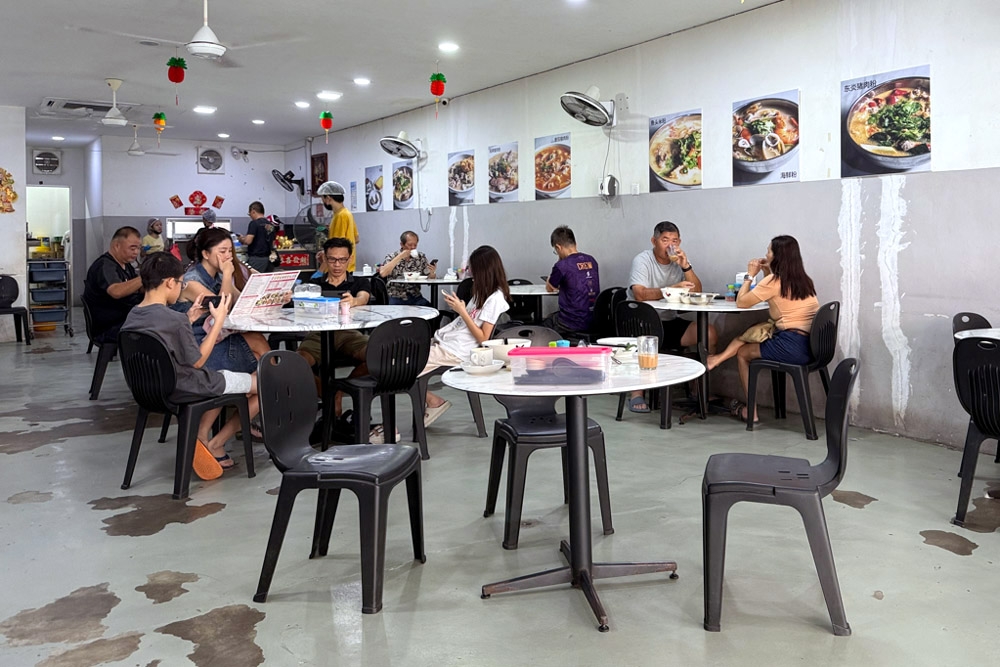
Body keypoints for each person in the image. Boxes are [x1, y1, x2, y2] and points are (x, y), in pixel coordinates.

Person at [122, 252, 260, 479]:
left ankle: (205, 438)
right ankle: (216, 442)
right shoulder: (172, 319)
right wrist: (219, 321)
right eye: (180, 282)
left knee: (226, 376)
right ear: (169, 283)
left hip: (150, 391)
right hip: (187, 387)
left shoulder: (133, 315)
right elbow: (197, 361)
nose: (180, 287)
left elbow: (162, 336)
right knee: (264, 383)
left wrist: (189, 318)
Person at [706, 235, 820, 423]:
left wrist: (750, 275)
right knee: (751, 333)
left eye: (769, 251)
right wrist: (767, 273)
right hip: (811, 346)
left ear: (778, 256)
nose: (766, 254)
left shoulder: (774, 282)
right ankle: (716, 360)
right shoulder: (804, 280)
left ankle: (751, 412)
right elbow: (773, 294)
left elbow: (742, 302)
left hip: (791, 345)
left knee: (743, 353)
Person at [626, 220, 717, 413]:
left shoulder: (677, 263)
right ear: (654, 241)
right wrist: (669, 289)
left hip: (668, 321)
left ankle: (698, 389)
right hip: (641, 322)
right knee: (645, 338)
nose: (670, 245)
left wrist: (686, 267)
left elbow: (697, 291)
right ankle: (636, 393)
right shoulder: (642, 260)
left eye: (674, 240)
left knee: (708, 333)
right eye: (665, 240)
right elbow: (639, 294)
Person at [420, 245, 511, 427]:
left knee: (400, 366)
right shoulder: (481, 292)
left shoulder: (495, 298)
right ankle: (431, 401)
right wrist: (463, 308)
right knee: (401, 356)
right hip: (449, 343)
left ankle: (429, 403)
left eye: (472, 269)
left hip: (458, 351)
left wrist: (462, 311)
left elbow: (484, 339)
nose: (469, 273)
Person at [296, 237, 371, 415]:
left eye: (342, 259)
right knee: (296, 364)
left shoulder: (359, 282)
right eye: (332, 259)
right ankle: (329, 393)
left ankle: (342, 390)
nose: (337, 264)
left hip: (349, 333)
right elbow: (300, 305)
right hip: (318, 333)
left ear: (350, 259)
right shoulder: (314, 285)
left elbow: (363, 297)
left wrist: (354, 301)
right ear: (324, 258)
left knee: (377, 355)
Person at [178, 227, 270, 372]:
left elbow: (241, 301)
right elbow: (222, 308)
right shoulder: (192, 282)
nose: (228, 256)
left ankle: (269, 386)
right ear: (206, 254)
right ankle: (275, 384)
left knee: (258, 343)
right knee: (258, 357)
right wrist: (228, 275)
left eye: (229, 251)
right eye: (222, 252)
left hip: (217, 337)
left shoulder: (218, 277)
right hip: (199, 345)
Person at [83, 226, 144, 344]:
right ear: (117, 246)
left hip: (123, 317)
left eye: (138, 248)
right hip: (109, 326)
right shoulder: (105, 266)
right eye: (132, 248)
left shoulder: (126, 265)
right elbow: (116, 291)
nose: (136, 252)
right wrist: (145, 276)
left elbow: (137, 287)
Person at [542, 226, 600, 337]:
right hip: (592, 319)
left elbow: (550, 288)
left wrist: (558, 262)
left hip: (571, 322)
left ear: (558, 247)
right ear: (574, 243)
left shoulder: (561, 266)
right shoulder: (592, 260)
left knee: (544, 325)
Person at [379, 230, 436, 306]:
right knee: (395, 314)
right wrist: (400, 256)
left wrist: (432, 273)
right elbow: (383, 273)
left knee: (433, 311)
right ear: (402, 244)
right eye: (410, 245)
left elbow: (429, 278)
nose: (413, 247)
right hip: (396, 296)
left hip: (415, 296)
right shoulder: (392, 256)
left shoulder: (420, 257)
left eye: (415, 245)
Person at [317, 181, 360, 272]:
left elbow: (336, 247)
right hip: (347, 267)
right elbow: (356, 239)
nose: (323, 202)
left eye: (322, 199)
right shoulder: (347, 214)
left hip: (338, 270)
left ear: (328, 198)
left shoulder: (341, 216)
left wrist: (320, 271)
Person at [241, 201, 277, 273]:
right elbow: (273, 243)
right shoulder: (271, 225)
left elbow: (248, 241)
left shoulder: (254, 223)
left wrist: (241, 239)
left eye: (250, 214)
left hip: (256, 259)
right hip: (269, 259)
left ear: (253, 212)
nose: (250, 216)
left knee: (254, 281)